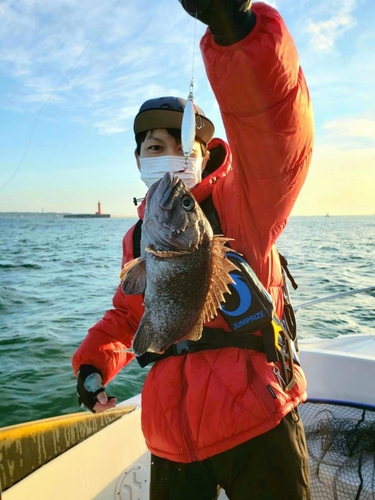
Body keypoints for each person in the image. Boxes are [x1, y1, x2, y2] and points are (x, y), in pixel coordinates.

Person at [72, 0, 314, 498]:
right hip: (171, 436)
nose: (167, 158)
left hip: (258, 418)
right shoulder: (140, 236)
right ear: (138, 159)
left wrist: (239, 34)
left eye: (182, 146)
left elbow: (278, 138)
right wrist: (94, 363)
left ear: (207, 157)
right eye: (153, 148)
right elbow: (129, 312)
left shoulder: (244, 202)